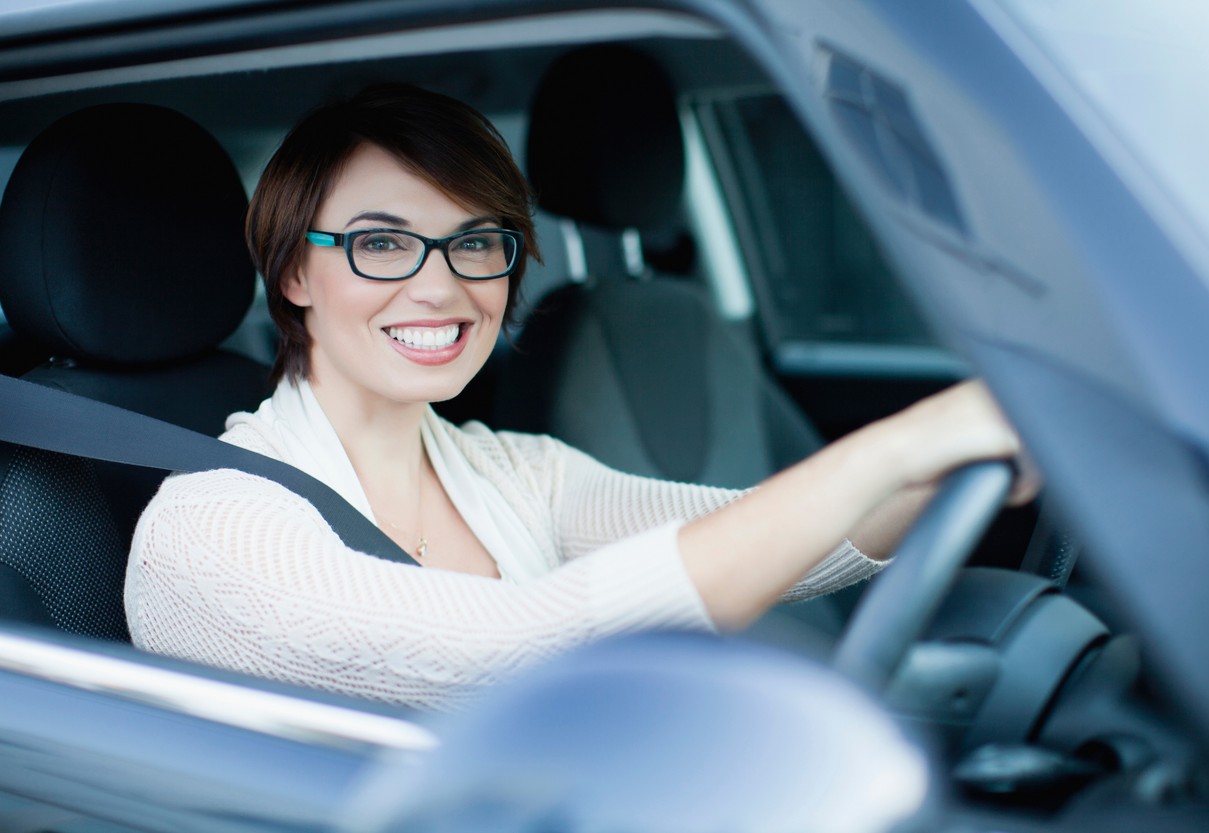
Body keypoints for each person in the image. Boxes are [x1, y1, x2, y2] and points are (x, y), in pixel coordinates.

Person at [125, 83, 1035, 711]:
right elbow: (523, 650)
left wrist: (960, 459)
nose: (440, 286)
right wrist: (899, 443)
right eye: (383, 243)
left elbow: (765, 536)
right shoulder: (211, 528)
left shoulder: (516, 469)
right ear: (293, 271)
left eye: (476, 242)